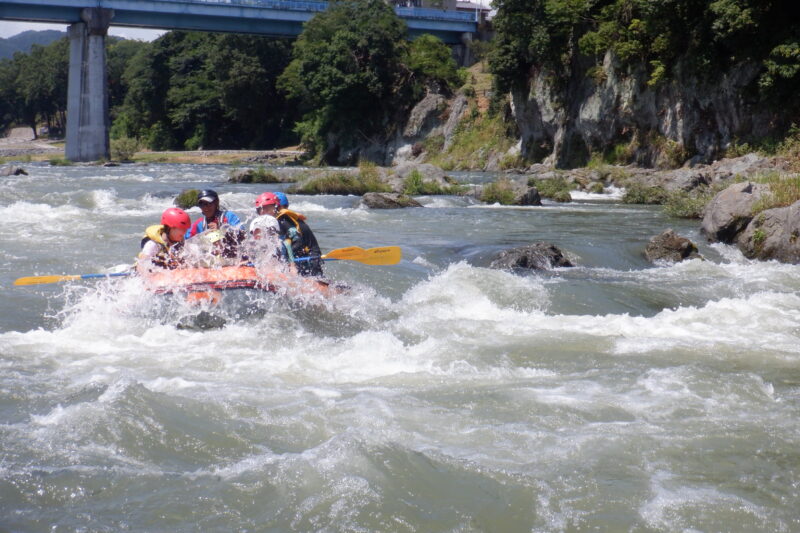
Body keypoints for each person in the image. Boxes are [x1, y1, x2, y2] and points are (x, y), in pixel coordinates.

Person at [270, 192, 324, 277]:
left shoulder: (284, 220)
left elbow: (298, 242)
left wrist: (286, 258)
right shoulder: (286, 218)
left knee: (315, 280)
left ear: (277, 206)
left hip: (310, 255)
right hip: (303, 254)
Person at [137, 207, 191, 272]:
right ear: (170, 228)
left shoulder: (179, 242)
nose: (184, 232)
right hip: (153, 274)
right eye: (182, 229)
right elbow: (140, 266)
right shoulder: (153, 244)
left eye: (186, 229)